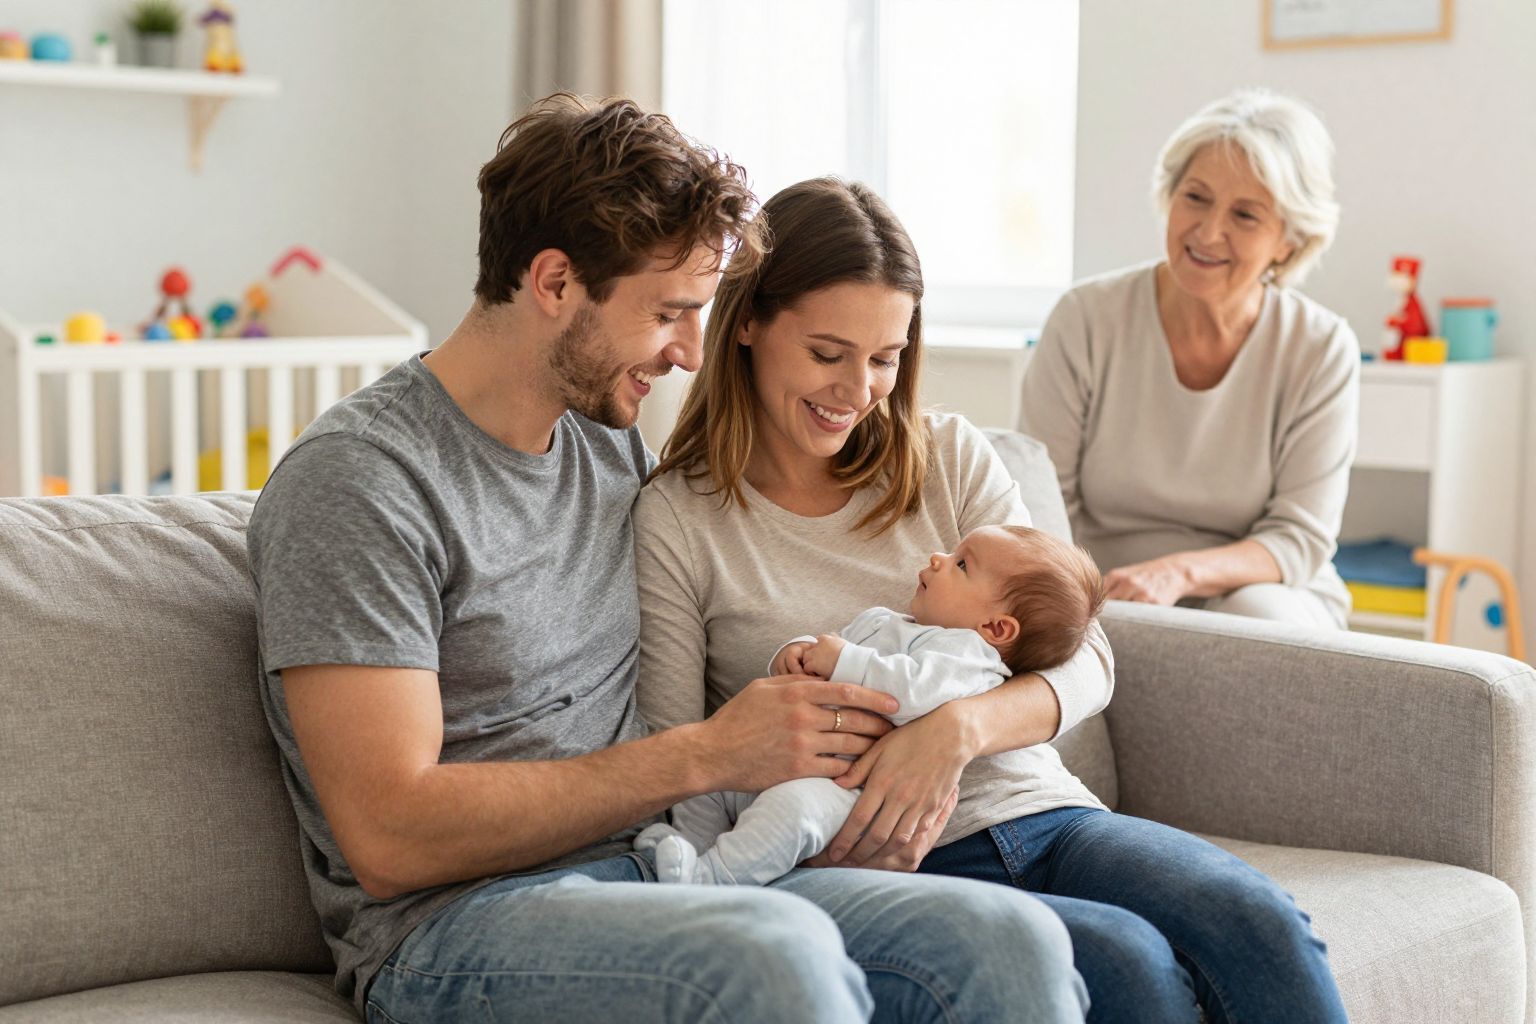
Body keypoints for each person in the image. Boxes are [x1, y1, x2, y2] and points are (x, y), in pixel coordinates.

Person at [247, 93, 1089, 1024]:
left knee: (1009, 939)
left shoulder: (606, 447)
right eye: (670, 313)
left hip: (659, 870)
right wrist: (706, 756)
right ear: (557, 282)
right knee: (776, 956)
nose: (692, 352)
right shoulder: (362, 486)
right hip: (459, 923)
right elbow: (389, 836)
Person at [635, 175, 1348, 1023]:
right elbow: (678, 754)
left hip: (1038, 810)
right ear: (747, 322)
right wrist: (779, 858)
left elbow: (1088, 655)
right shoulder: (681, 519)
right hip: (883, 857)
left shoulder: (949, 456)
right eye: (829, 354)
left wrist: (957, 729)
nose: (858, 391)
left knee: (1257, 920)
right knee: (1131, 967)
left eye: (886, 359)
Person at [1019, 88, 1359, 627]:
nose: (1208, 232)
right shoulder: (1085, 317)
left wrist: (1177, 573)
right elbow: (1041, 500)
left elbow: (1299, 538)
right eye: (1196, 198)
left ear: (1288, 243)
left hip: (1262, 590)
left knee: (1257, 615)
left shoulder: (1320, 347)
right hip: (1104, 584)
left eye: (1245, 215)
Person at [636, 525, 1103, 886]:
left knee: (791, 813)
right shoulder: (885, 621)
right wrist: (796, 651)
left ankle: (712, 879)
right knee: (710, 783)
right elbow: (834, 643)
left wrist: (844, 659)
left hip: (845, 787)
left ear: (997, 629)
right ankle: (689, 848)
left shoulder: (970, 660)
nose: (939, 558)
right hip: (778, 758)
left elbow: (913, 692)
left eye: (962, 565)